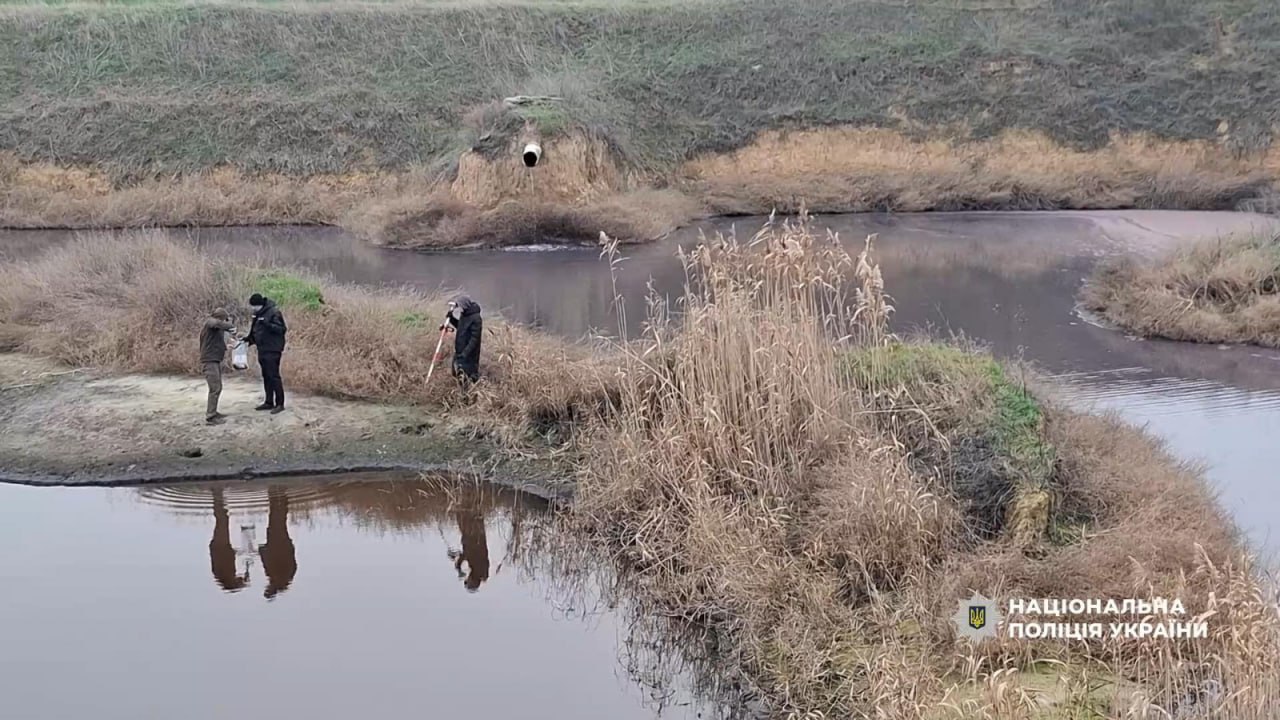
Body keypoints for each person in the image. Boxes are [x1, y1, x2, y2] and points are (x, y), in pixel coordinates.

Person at [244, 293, 287, 414]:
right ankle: (269, 402)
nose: (253, 308)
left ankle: (280, 403)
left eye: (255, 306)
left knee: (274, 376)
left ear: (260, 304)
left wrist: (267, 324)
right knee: (266, 376)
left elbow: (281, 329)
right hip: (262, 349)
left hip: (273, 349)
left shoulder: (274, 312)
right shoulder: (257, 314)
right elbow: (255, 331)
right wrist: (248, 339)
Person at [258, 486, 297, 600]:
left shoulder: (284, 578)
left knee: (279, 520)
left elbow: (293, 563)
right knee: (277, 520)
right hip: (277, 545)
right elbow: (267, 561)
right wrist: (262, 551)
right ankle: (276, 493)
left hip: (281, 545)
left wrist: (290, 547)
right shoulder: (277, 577)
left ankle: (279, 494)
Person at [199, 308, 237, 425]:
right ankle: (210, 416)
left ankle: (213, 412)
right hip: (209, 361)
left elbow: (216, 343)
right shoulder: (210, 322)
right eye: (224, 319)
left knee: (217, 387)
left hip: (214, 360)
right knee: (215, 388)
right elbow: (215, 323)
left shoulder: (215, 329)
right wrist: (230, 326)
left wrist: (227, 347)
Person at [441, 295, 482, 385]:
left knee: (467, 377)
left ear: (465, 305)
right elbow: (460, 327)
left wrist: (465, 353)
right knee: (455, 372)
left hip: (469, 354)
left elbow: (474, 339)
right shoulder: (464, 315)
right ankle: (459, 392)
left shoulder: (476, 319)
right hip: (460, 350)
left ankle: (468, 396)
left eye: (460, 306)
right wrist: (451, 318)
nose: (459, 309)